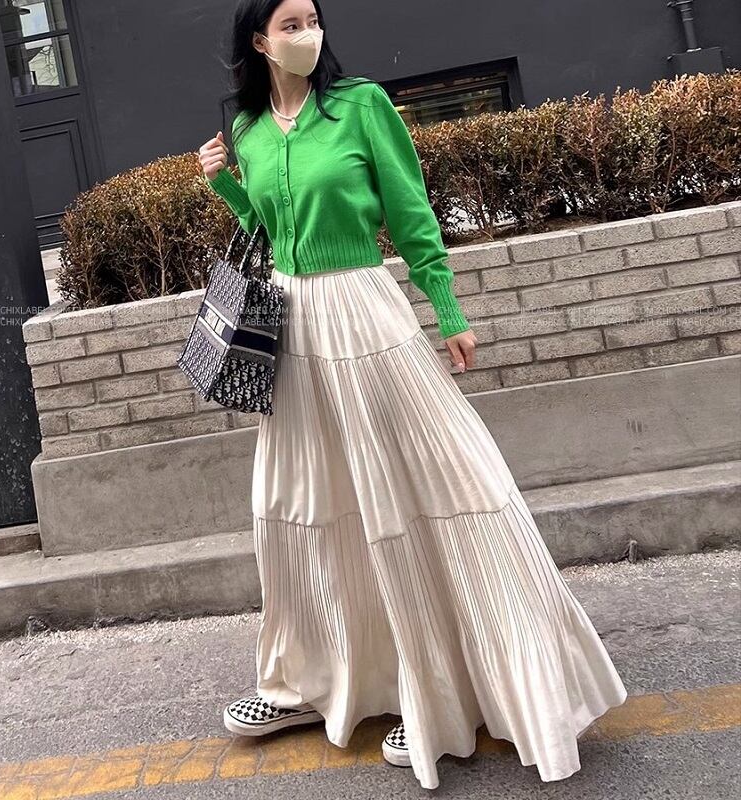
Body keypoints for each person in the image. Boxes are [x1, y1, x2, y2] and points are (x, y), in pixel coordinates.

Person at [198, 0, 628, 790]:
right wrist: (226, 184)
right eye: (290, 24)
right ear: (259, 42)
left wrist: (448, 309)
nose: (306, 34)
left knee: (420, 485)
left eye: (311, 19)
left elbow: (409, 212)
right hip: (293, 326)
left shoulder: (359, 106)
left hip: (364, 310)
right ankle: (309, 682)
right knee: (300, 501)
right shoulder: (250, 132)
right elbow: (267, 228)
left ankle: (434, 690)